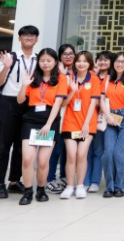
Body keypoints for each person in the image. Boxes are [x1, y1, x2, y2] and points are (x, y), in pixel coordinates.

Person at [0, 25, 39, 199]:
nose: (28, 37)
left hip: (28, 104)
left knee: (22, 145)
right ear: (19, 38)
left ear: (36, 39)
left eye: (32, 35)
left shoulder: (38, 59)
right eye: (25, 35)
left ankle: (14, 181)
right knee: (3, 145)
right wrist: (6, 67)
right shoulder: (10, 57)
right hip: (8, 103)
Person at [16, 48, 67, 205]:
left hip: (49, 120)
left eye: (49, 60)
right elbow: (20, 100)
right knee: (27, 159)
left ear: (55, 62)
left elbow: (58, 103)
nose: (45, 63)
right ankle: (27, 191)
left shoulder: (61, 78)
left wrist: (48, 124)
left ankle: (41, 189)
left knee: (43, 161)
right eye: (42, 60)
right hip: (31, 120)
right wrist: (24, 85)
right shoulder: (32, 77)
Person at [60, 51, 101, 199]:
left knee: (82, 154)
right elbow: (63, 103)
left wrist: (86, 124)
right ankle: (69, 186)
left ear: (89, 64)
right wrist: (72, 90)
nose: (81, 64)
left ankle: (80, 185)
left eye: (85, 61)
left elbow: (94, 103)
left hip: (87, 123)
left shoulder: (94, 79)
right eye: (78, 61)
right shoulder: (68, 78)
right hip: (70, 122)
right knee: (71, 155)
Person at [101, 52, 124, 198]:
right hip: (111, 117)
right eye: (117, 61)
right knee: (108, 153)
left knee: (120, 153)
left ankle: (119, 186)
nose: (120, 64)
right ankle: (109, 186)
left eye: (123, 62)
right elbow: (101, 99)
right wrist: (108, 116)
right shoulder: (107, 79)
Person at [46, 43, 75, 194]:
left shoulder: (78, 71)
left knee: (66, 148)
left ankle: (64, 177)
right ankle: (49, 179)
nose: (68, 56)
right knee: (55, 148)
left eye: (71, 54)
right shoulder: (54, 73)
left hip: (73, 114)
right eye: (65, 54)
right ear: (60, 56)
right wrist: (64, 75)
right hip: (57, 112)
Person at [84, 51, 112, 193]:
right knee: (85, 151)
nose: (102, 62)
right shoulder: (89, 76)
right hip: (86, 116)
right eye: (100, 59)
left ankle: (95, 181)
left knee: (98, 150)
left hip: (102, 117)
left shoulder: (111, 78)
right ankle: (85, 180)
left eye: (106, 60)